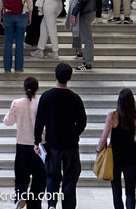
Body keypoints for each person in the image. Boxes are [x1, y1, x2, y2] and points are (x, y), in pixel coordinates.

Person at [34, 62, 87, 209]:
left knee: (52, 176)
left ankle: (51, 204)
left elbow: (39, 121)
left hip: (53, 144)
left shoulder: (47, 96)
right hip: (70, 144)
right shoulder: (75, 98)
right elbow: (82, 122)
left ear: (55, 76)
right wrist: (74, 133)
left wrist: (37, 141)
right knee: (70, 178)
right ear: (69, 77)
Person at [96, 88, 136, 209]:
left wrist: (98, 150)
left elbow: (104, 137)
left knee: (116, 190)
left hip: (115, 157)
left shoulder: (112, 116)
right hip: (130, 157)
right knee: (131, 192)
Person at [4, 76, 46, 209]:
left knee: (21, 175)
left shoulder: (17, 103)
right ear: (37, 89)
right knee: (39, 177)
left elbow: (8, 122)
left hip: (22, 144)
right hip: (39, 145)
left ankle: (20, 195)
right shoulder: (41, 104)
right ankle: (34, 203)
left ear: (24, 88)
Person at [0, 0, 32, 73]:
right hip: (21, 15)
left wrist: (0, 16)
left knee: (8, 42)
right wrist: (30, 16)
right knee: (19, 42)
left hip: (7, 15)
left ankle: (7, 68)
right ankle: (19, 67)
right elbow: (30, 4)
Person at [70, 0, 97, 71]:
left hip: (85, 13)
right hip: (89, 12)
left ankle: (88, 63)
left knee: (87, 39)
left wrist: (73, 14)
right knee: (86, 38)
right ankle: (86, 60)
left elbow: (81, 0)